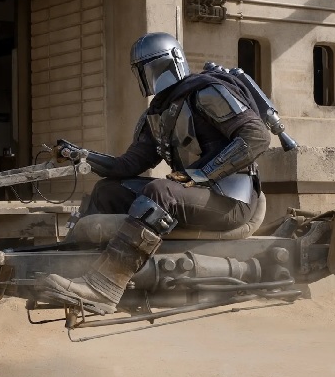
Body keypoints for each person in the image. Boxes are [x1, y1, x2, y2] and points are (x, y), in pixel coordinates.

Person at [40, 32, 270, 314]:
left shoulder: (207, 92)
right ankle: (79, 270)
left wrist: (203, 174)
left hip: (231, 201)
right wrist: (82, 156)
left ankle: (105, 287)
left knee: (159, 192)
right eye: (144, 70)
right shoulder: (158, 112)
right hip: (193, 197)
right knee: (108, 190)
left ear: (173, 62)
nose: (150, 76)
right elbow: (127, 165)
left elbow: (257, 136)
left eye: (155, 67)